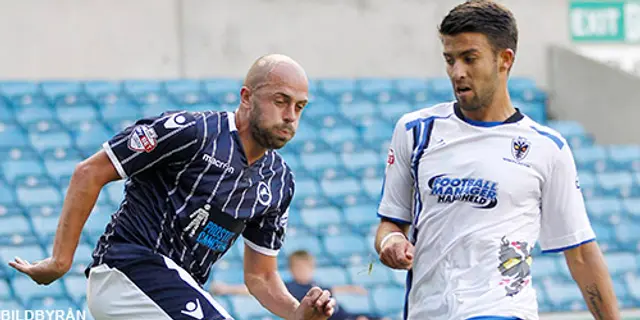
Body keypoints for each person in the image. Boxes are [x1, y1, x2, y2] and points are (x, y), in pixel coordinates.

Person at [9, 54, 336, 320]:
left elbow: (261, 277)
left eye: (299, 106)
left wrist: (298, 313)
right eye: (281, 101)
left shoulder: (279, 181)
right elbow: (89, 172)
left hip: (173, 296)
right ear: (246, 97)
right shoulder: (192, 132)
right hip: (127, 273)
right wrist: (60, 262)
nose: (291, 115)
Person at [374, 1, 620, 320]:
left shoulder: (546, 148)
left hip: (503, 310)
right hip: (429, 310)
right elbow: (390, 224)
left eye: (469, 59)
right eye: (450, 60)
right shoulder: (415, 131)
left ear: (504, 60)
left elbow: (582, 255)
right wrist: (390, 241)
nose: (457, 72)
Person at [211, 250, 388, 320]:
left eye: (307, 267)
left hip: (345, 315)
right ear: (292, 269)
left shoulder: (315, 284)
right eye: (300, 268)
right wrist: (226, 288)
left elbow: (334, 289)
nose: (304, 271)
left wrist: (353, 289)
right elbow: (254, 289)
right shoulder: (289, 287)